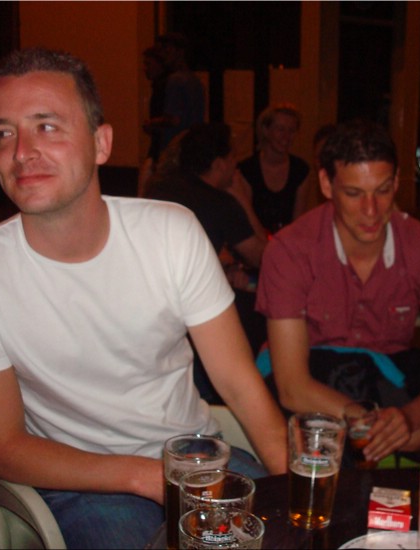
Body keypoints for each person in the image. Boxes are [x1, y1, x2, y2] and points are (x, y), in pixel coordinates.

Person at [0, 48, 287, 549]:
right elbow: (1, 448)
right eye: (3, 133)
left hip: (196, 456)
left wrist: (290, 486)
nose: (21, 152)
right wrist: (147, 477)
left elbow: (238, 381)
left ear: (102, 143)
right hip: (81, 483)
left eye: (46, 126)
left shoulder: (172, 233)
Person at [255, 120, 420, 466]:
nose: (371, 211)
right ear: (327, 185)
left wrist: (409, 419)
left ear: (397, 181)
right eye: (354, 194)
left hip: (385, 378)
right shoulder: (290, 250)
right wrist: (372, 425)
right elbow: (292, 386)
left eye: (383, 191)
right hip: (312, 384)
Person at [147, 123, 269, 393]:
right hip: (188, 312)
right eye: (233, 158)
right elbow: (264, 258)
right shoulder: (219, 202)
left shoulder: (160, 187)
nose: (236, 166)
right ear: (219, 164)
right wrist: (242, 198)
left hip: (152, 301)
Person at [138, 32, 205, 197]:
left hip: (173, 151)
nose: (164, 55)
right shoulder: (196, 81)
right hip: (192, 149)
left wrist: (152, 123)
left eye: (167, 50)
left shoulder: (175, 81)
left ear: (179, 52)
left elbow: (173, 119)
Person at [238, 102, 310, 235]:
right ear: (266, 130)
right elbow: (246, 222)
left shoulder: (300, 170)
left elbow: (298, 223)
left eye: (291, 131)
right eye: (280, 129)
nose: (286, 136)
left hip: (288, 241)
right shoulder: (247, 169)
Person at [137, 46, 171, 194]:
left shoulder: (166, 86)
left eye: (148, 64)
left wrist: (153, 124)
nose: (145, 69)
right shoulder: (159, 86)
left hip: (163, 148)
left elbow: (171, 119)